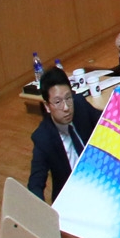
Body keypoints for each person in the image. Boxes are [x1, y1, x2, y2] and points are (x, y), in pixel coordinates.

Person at [27, 67, 99, 203]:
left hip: (98, 181)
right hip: (72, 198)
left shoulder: (80, 105)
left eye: (68, 98)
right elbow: (35, 184)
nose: (66, 107)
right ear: (47, 106)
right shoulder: (43, 138)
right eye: (58, 102)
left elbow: (105, 124)